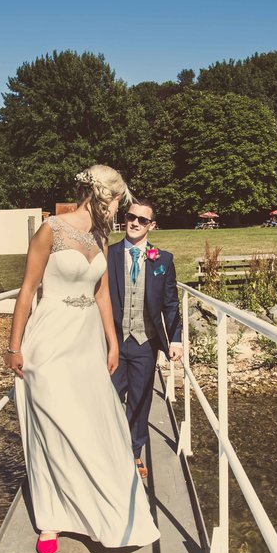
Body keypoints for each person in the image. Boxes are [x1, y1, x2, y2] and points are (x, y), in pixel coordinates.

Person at [4, 165, 160, 553]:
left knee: (92, 424)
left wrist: (111, 343)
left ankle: (98, 513)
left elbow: (103, 294)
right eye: (115, 200)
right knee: (54, 422)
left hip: (87, 341)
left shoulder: (100, 235)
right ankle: (52, 517)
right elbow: (27, 290)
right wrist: (13, 345)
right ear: (96, 195)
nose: (118, 209)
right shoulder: (50, 231)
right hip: (50, 339)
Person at [107, 200, 182, 479]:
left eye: (142, 219)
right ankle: (111, 451)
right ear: (124, 219)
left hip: (145, 342)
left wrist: (175, 339)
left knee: (140, 400)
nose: (135, 223)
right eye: (130, 217)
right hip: (112, 341)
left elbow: (171, 304)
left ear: (152, 225)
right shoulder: (107, 254)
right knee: (110, 398)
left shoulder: (163, 260)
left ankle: (134, 452)